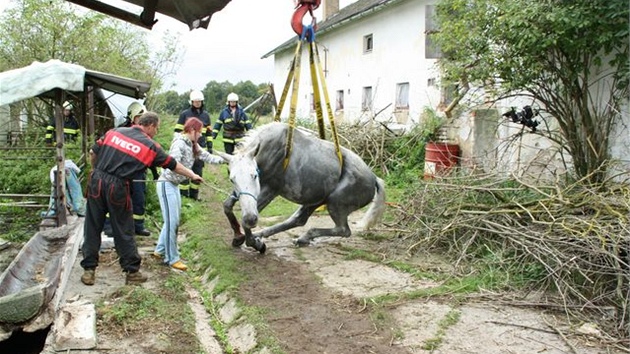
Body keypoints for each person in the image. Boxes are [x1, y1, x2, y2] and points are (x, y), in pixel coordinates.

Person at [80, 111, 203, 286]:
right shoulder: (150, 146)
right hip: (118, 187)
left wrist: (95, 171)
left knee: (92, 226)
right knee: (124, 229)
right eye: (157, 128)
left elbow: (93, 152)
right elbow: (173, 165)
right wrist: (192, 175)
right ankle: (131, 272)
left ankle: (89, 271)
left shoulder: (114, 132)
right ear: (151, 125)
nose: (157, 132)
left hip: (96, 181)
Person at [154, 118, 225, 271]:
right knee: (172, 222)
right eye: (199, 132)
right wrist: (191, 174)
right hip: (166, 185)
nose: (200, 135)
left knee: (172, 220)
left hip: (174, 185)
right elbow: (173, 165)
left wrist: (225, 160)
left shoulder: (192, 144)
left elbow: (206, 156)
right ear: (192, 130)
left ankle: (159, 251)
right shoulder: (179, 143)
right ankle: (172, 258)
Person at [103, 102, 156, 236]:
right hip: (121, 173)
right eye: (139, 117)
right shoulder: (122, 130)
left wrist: (155, 173)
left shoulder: (146, 134)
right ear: (133, 117)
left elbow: (152, 153)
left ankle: (138, 226)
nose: (141, 120)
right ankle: (109, 226)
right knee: (116, 199)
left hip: (138, 173)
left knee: (139, 199)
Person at [174, 90, 212, 201]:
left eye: (199, 101)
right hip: (187, 147)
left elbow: (209, 133)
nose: (197, 103)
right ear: (191, 102)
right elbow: (177, 131)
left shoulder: (206, 116)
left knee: (198, 171)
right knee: (185, 171)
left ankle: (194, 196)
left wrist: (209, 146)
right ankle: (184, 196)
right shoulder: (184, 114)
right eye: (195, 102)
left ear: (202, 102)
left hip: (200, 147)